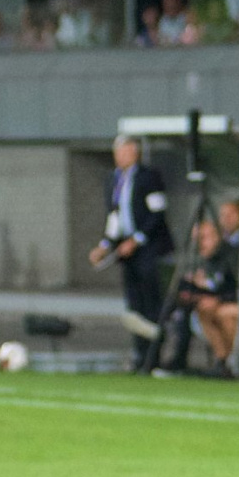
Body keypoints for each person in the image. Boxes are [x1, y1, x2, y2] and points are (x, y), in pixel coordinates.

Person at [89, 135, 173, 374]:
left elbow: (157, 214)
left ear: (134, 153)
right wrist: (105, 245)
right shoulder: (113, 179)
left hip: (149, 249)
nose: (119, 156)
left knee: (151, 304)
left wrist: (136, 240)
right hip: (127, 252)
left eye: (124, 151)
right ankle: (139, 355)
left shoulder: (149, 177)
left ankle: (154, 357)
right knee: (134, 307)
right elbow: (114, 216)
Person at [160, 220, 239, 378]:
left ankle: (232, 361)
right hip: (211, 306)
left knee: (224, 314)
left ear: (217, 237)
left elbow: (238, 287)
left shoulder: (231, 256)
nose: (200, 244)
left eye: (204, 238)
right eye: (197, 240)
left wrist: (218, 299)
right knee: (201, 309)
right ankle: (222, 361)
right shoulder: (203, 260)